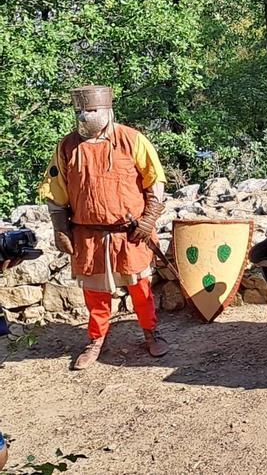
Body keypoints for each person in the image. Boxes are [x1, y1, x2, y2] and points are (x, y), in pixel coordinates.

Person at [38, 85, 169, 370]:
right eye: (80, 111)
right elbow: (55, 192)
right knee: (95, 294)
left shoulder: (132, 140)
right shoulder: (66, 146)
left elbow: (155, 182)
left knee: (140, 288)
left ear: (106, 109)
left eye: (91, 110)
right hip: (88, 235)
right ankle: (96, 339)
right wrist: (60, 228)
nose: (85, 115)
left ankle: (150, 332)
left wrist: (148, 219)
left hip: (131, 232)